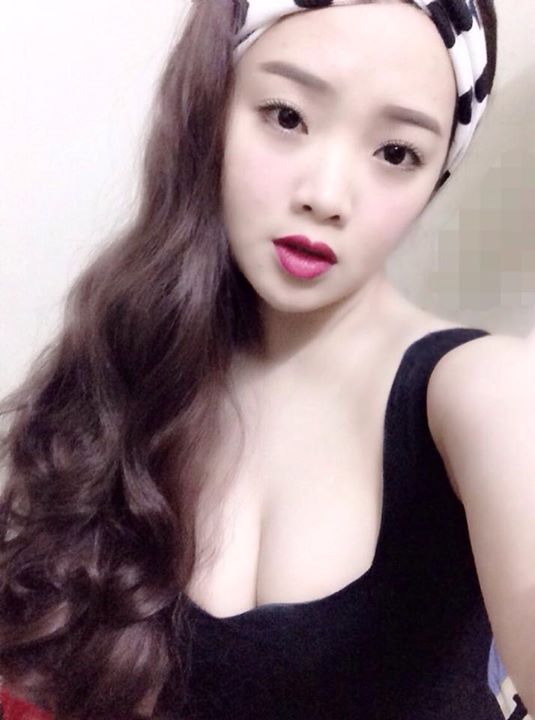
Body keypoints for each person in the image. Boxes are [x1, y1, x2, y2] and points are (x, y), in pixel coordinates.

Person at [2, 0, 527, 718]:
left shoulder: (480, 392)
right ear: (210, 109)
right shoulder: (123, 376)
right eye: (287, 117)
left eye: (396, 153)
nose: (326, 196)